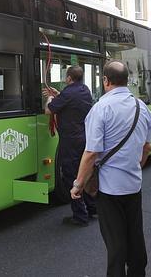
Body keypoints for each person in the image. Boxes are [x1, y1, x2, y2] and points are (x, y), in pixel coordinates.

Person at [70, 60, 151, 277]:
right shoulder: (142, 107)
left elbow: (91, 154)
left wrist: (78, 184)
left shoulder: (101, 108)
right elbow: (146, 147)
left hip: (109, 190)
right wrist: (135, 168)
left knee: (115, 244)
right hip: (134, 186)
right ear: (126, 80)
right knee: (135, 237)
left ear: (106, 81)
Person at [43, 66, 95, 226]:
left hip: (70, 141)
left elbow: (48, 110)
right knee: (84, 175)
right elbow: (71, 102)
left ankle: (80, 216)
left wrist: (50, 98)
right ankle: (92, 208)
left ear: (68, 78)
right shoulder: (85, 90)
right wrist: (59, 95)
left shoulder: (68, 93)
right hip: (84, 138)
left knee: (71, 176)